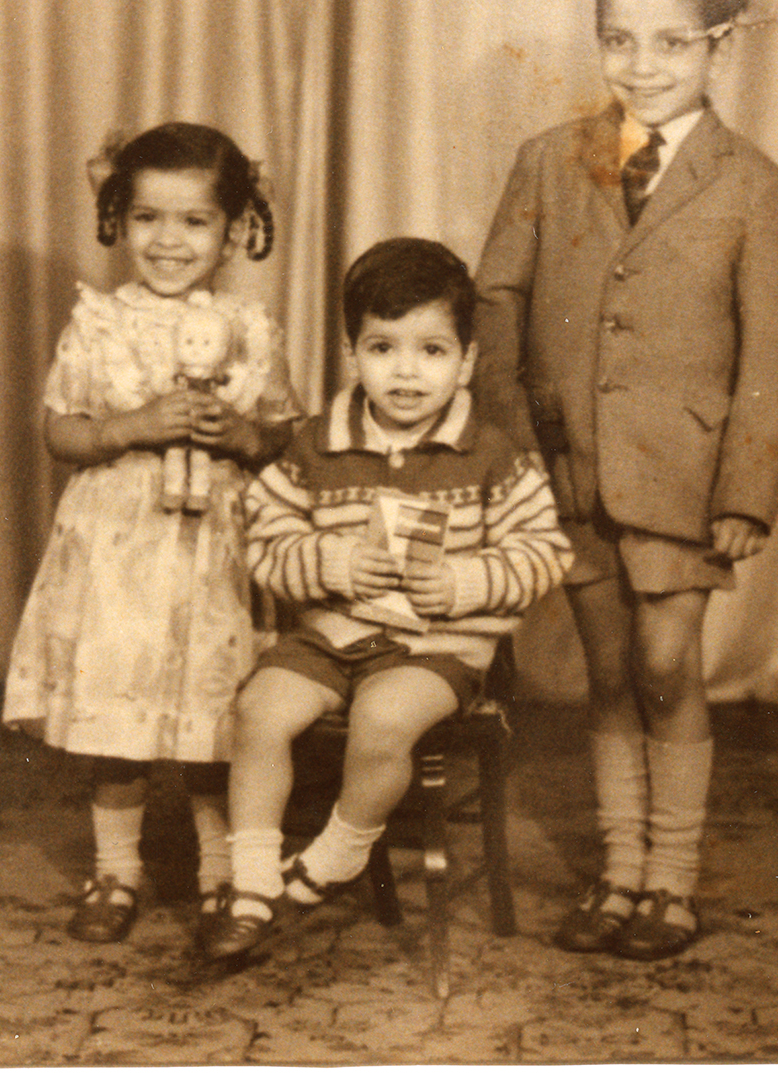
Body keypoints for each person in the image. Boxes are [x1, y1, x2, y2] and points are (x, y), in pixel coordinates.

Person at [473, 0, 778, 960]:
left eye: (671, 43)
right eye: (619, 40)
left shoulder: (754, 186)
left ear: (720, 43)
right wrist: (515, 448)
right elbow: (496, 305)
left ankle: (673, 880)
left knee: (667, 664)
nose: (642, 66)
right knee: (609, 673)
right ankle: (621, 875)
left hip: (684, 478)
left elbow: (772, 354)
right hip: (567, 467)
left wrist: (745, 492)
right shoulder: (546, 161)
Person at [201, 237, 573, 959]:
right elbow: (266, 540)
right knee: (258, 710)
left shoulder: (490, 453)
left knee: (383, 715)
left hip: (437, 648)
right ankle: (252, 884)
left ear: (466, 361)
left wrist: (465, 582)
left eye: (432, 351)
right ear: (352, 353)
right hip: (333, 635)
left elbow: (543, 552)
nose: (406, 371)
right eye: (382, 348)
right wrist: (333, 563)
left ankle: (335, 855)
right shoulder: (316, 445)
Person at [3, 122, 302, 946]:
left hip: (214, 554)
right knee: (119, 723)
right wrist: (128, 427)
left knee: (217, 720)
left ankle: (220, 874)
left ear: (234, 230)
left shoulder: (252, 328)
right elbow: (60, 430)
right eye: (147, 219)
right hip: (119, 554)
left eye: (194, 221)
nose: (168, 240)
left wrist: (242, 434)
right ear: (119, 221)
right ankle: (116, 870)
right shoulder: (98, 323)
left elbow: (284, 433)